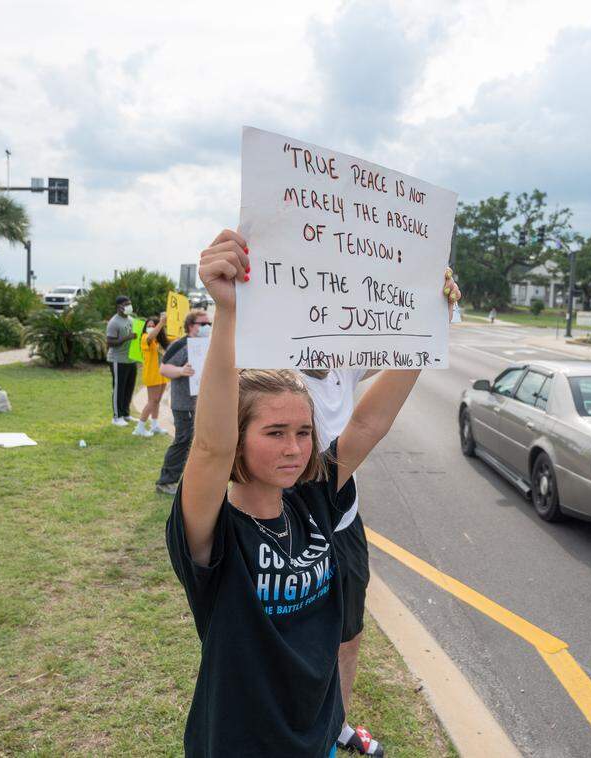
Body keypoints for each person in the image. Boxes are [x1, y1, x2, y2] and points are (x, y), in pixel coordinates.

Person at [167, 229, 459, 756]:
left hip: (316, 733)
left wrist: (428, 320)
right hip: (243, 741)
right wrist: (228, 310)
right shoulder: (213, 531)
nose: (295, 449)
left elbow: (369, 423)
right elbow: (208, 449)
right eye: (274, 433)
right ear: (238, 438)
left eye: (303, 433)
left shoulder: (311, 500)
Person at [300, 368, 383, 756]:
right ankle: (302, 729)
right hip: (296, 524)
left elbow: (399, 344)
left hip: (345, 523)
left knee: (349, 635)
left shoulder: (342, 367)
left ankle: (339, 724)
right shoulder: (272, 371)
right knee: (301, 641)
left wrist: (435, 319)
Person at [155, 310, 211, 495]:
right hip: (184, 403)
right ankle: (166, 482)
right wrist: (180, 371)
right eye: (202, 324)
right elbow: (163, 368)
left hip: (204, 403)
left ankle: (195, 482)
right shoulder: (180, 345)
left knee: (202, 443)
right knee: (183, 441)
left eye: (208, 324)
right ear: (190, 326)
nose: (206, 327)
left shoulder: (209, 344)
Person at [135, 315, 170, 437]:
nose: (150, 327)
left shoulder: (159, 340)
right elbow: (150, 337)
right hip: (152, 374)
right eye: (148, 325)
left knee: (157, 401)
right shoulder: (145, 338)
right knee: (152, 401)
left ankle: (154, 425)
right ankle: (139, 427)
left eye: (152, 325)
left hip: (161, 375)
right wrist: (161, 323)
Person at [106, 295, 138, 426]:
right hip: (117, 360)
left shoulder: (131, 319)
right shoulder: (114, 322)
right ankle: (116, 417)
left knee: (129, 388)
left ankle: (125, 413)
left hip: (131, 360)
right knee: (119, 388)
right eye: (126, 304)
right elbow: (110, 342)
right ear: (119, 307)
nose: (129, 306)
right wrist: (127, 338)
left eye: (130, 303)